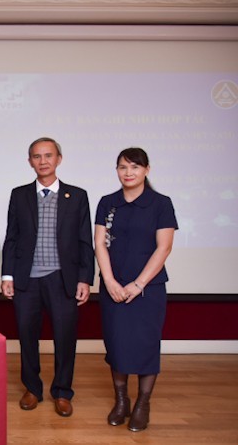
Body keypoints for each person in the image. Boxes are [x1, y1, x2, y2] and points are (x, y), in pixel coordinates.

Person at [1, 137, 94, 418]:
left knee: (65, 338)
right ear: (30, 161)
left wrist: (84, 279)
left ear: (59, 159)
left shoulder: (77, 196)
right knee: (27, 337)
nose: (43, 161)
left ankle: (62, 392)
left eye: (48, 156)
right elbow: (12, 238)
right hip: (26, 279)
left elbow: (84, 241)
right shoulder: (19, 194)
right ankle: (32, 389)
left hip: (62, 279)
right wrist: (7, 275)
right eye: (36, 156)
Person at [94, 148, 177, 432]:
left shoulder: (160, 203)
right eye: (122, 167)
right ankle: (121, 401)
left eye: (134, 167)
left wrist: (138, 284)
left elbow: (164, 247)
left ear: (146, 170)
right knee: (116, 344)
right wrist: (110, 282)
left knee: (145, 345)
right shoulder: (108, 202)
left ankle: (143, 403)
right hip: (113, 288)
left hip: (148, 290)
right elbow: (100, 245)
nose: (128, 172)